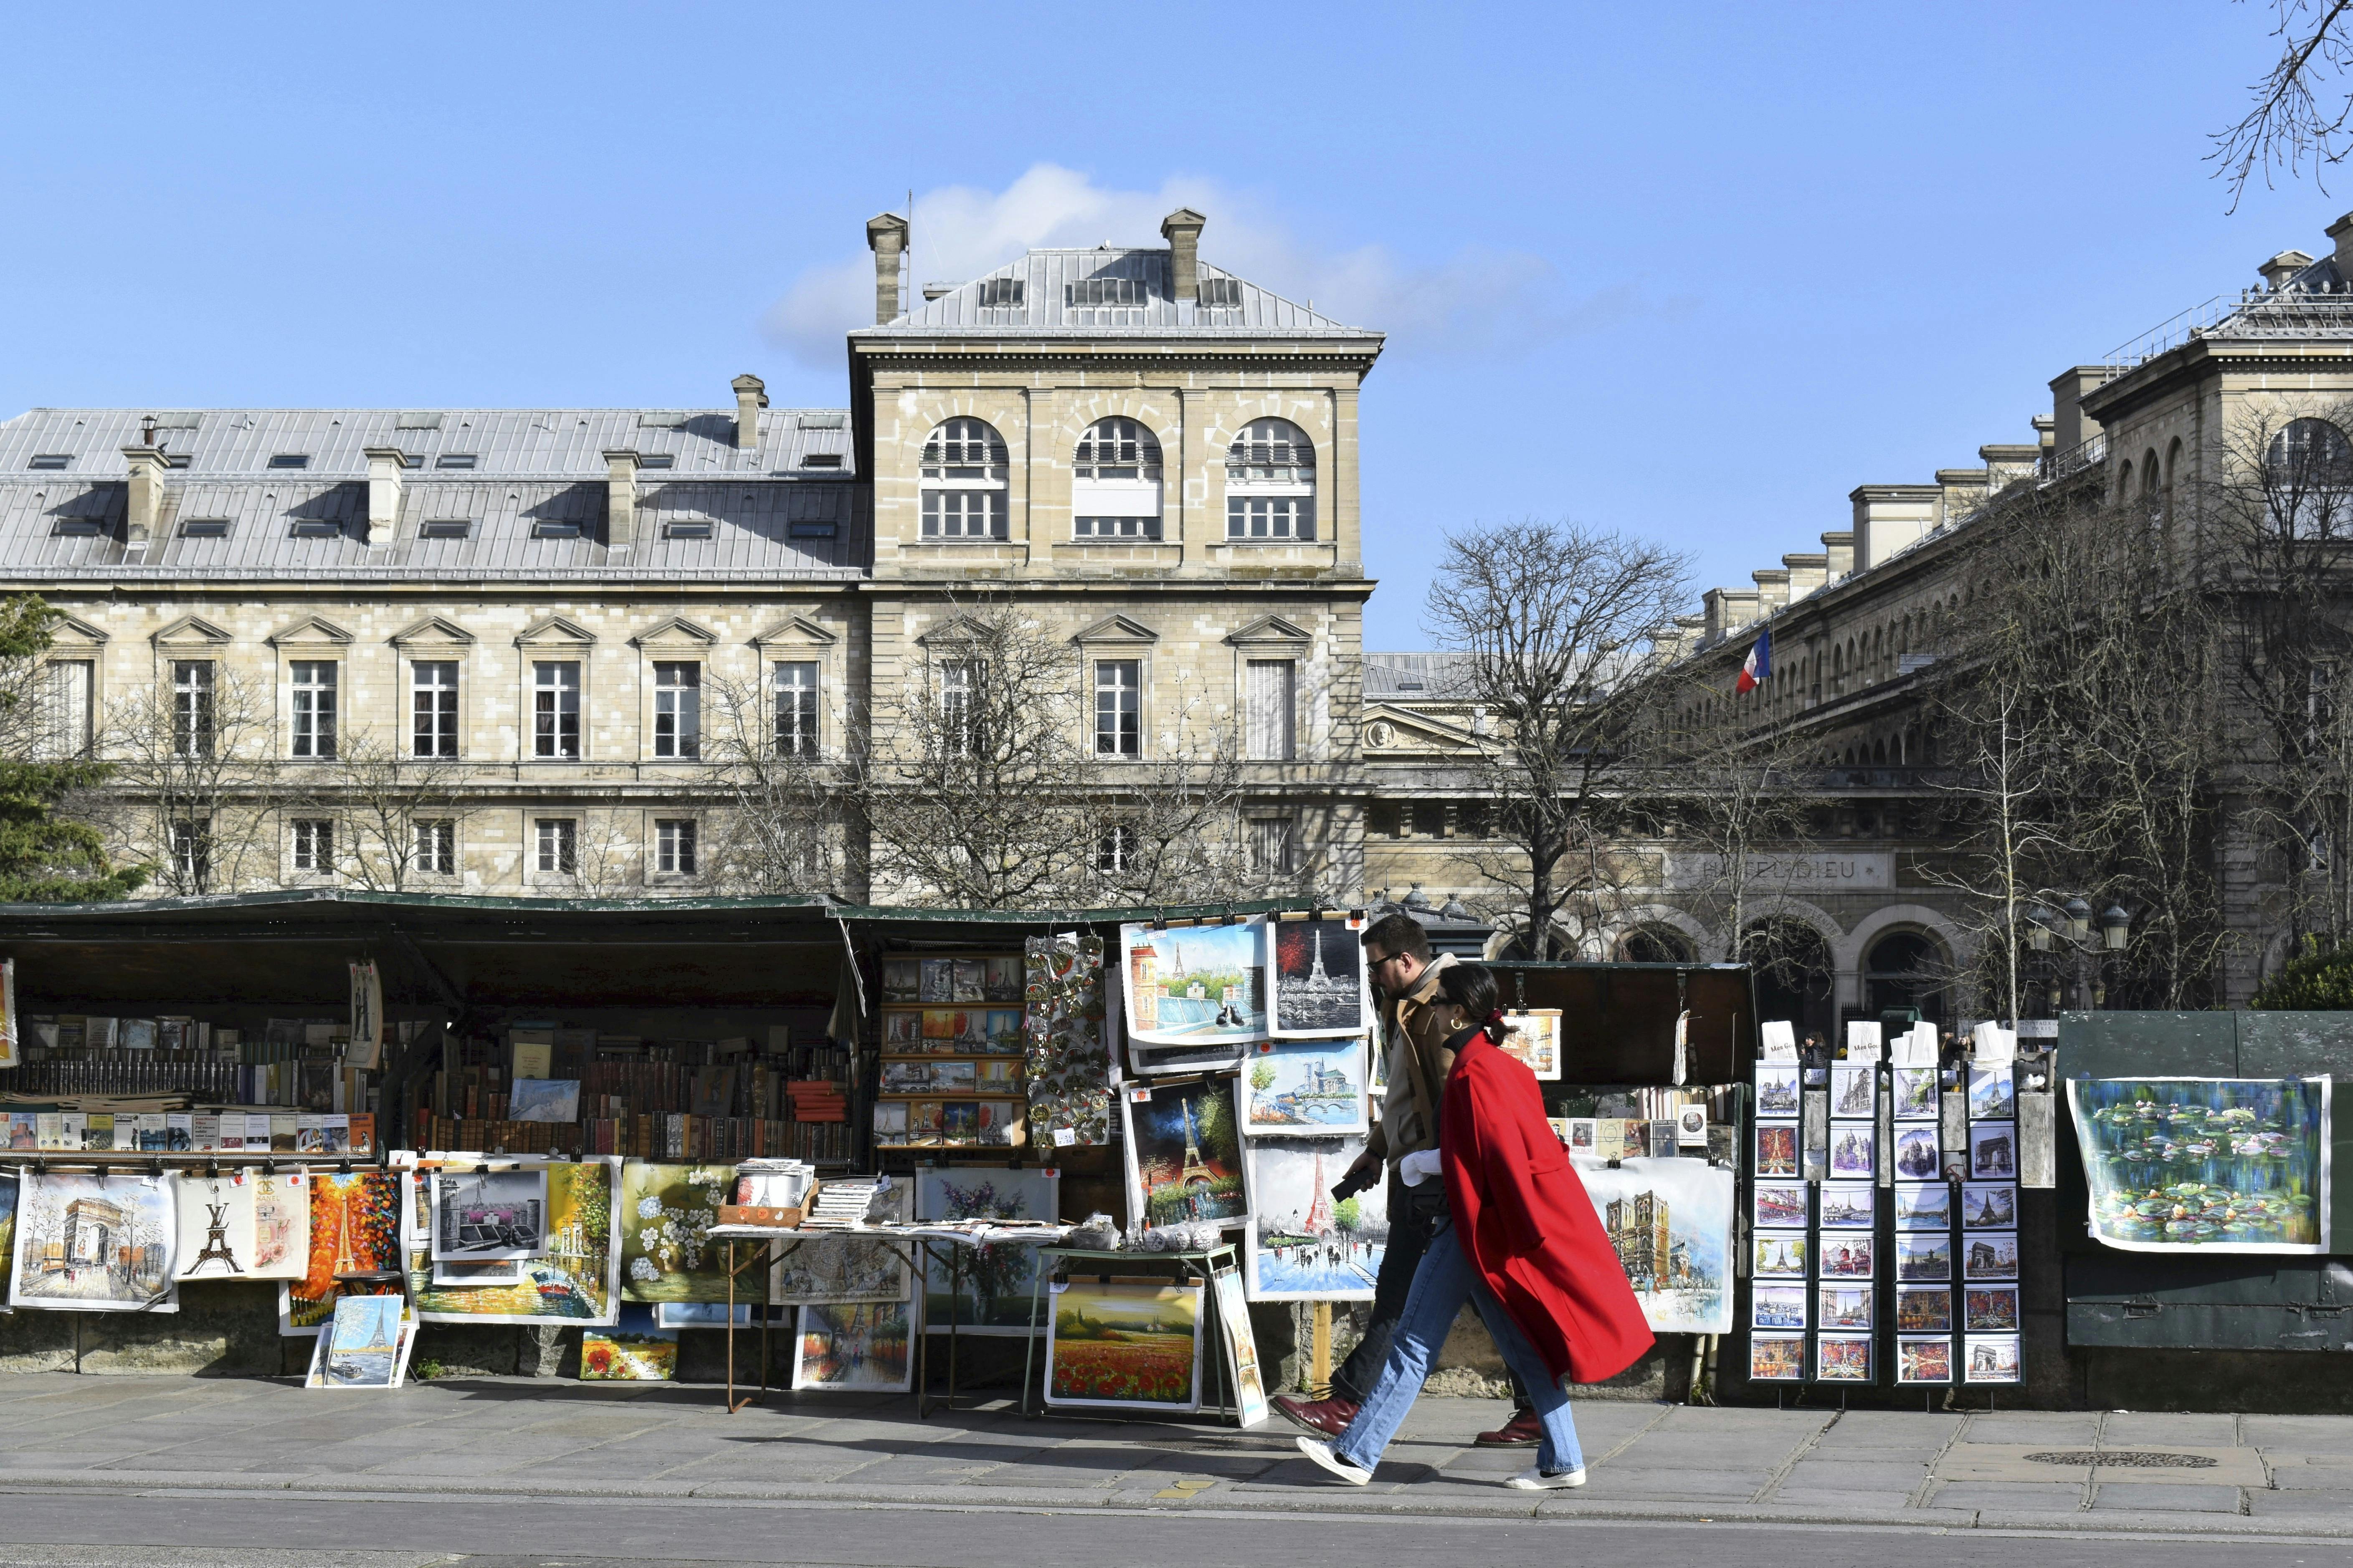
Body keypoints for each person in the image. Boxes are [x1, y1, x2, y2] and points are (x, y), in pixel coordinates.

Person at [1295, 962, 1653, 1490]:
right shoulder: (1502, 1066)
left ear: (1457, 1012)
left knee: (1414, 1340)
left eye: (1439, 1005)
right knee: (1522, 1348)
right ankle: (1563, 1459)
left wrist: (1425, 1164)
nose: (1434, 1013)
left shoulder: (1472, 1071)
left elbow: (1491, 1155)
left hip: (1470, 1225)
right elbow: (1505, 1148)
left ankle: (1356, 1453)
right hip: (1488, 1224)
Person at [1273, 911, 1475, 1436]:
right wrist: (1377, 1149)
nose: (1371, 976)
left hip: (1430, 1182)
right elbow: (1407, 1097)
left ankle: (1348, 1402)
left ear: (1406, 961)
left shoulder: (1438, 1010)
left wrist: (1428, 1165)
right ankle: (1538, 1404)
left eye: (1377, 966)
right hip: (1416, 1172)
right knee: (1485, 1300)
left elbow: (1457, 1099)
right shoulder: (1408, 1006)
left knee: (1397, 1295)